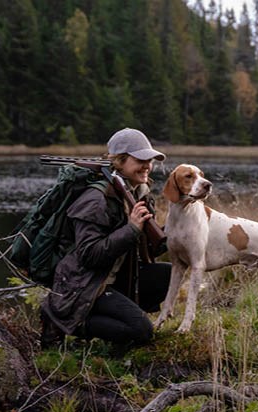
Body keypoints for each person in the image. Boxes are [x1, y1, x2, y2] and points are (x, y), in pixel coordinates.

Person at [39, 128, 171, 348]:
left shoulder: (139, 192)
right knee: (141, 331)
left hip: (114, 278)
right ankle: (65, 323)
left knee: (170, 273)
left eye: (150, 160)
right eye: (141, 159)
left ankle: (122, 317)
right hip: (85, 284)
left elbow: (152, 248)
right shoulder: (95, 200)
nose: (148, 165)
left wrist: (177, 229)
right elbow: (90, 256)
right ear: (120, 161)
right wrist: (131, 229)